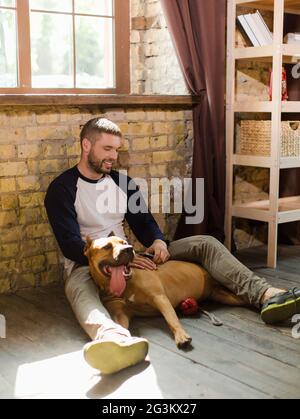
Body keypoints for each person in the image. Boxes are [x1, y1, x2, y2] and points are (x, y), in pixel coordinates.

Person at [44, 118, 300, 375]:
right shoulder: (62, 189)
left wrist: (156, 241)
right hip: (87, 263)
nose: (113, 156)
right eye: (107, 149)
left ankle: (265, 295)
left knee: (205, 243)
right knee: (79, 291)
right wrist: (124, 260)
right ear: (86, 145)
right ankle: (113, 339)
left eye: (117, 150)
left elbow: (144, 223)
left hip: (129, 254)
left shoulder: (123, 183)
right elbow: (70, 245)